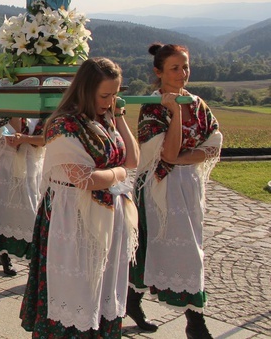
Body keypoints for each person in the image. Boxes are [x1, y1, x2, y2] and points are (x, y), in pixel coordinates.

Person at [20, 57, 139, 337]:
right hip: (71, 216)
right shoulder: (64, 125)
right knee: (75, 287)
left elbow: (133, 159)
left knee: (101, 283)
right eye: (104, 95)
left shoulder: (104, 120)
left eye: (115, 94)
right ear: (85, 90)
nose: (110, 101)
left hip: (106, 218)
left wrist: (118, 117)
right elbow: (84, 179)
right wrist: (119, 174)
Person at [128, 43, 222, 339]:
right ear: (159, 72)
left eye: (185, 67)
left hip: (188, 185)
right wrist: (176, 114)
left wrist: (183, 158)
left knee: (189, 250)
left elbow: (213, 142)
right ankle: (195, 322)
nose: (183, 73)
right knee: (152, 248)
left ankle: (139, 303)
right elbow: (165, 153)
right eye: (175, 68)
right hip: (158, 187)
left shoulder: (198, 103)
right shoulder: (153, 107)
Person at [0, 116, 45, 276]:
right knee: (4, 213)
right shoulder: (5, 109)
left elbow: (48, 138)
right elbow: (5, 134)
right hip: (6, 169)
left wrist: (25, 138)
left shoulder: (44, 110)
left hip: (33, 169)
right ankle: (4, 254)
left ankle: (35, 262)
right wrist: (17, 115)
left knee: (33, 216)